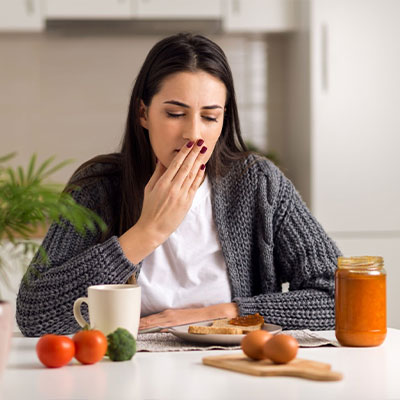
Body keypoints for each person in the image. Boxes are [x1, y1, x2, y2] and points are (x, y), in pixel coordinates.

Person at [16, 33, 341, 337]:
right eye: (174, 113)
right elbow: (35, 315)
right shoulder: (97, 187)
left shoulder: (259, 185)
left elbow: (338, 297)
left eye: (210, 117)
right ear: (143, 113)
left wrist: (227, 313)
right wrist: (147, 232)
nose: (193, 134)